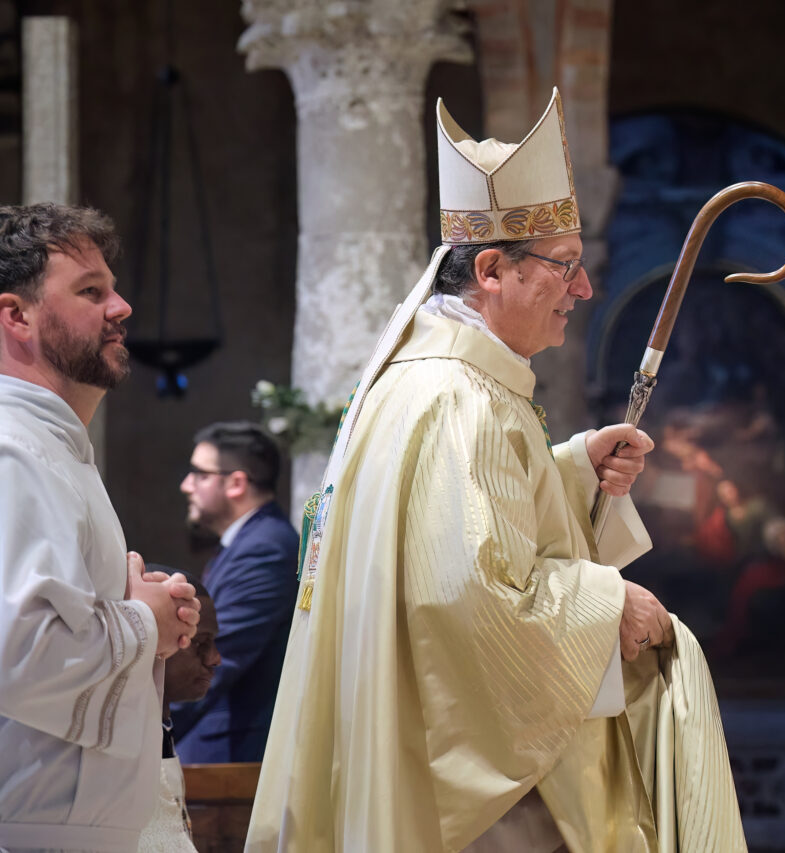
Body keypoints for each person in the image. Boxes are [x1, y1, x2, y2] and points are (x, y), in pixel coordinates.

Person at [248, 90, 745, 852]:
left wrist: (574, 470)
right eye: (566, 267)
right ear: (491, 268)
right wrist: (610, 601)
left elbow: (447, 532)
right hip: (487, 817)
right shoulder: (460, 400)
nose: (583, 289)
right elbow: (466, 600)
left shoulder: (433, 380)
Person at [0, 202, 199, 852]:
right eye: (91, 291)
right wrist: (144, 620)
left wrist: (138, 619)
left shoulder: (44, 447)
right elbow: (15, 656)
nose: (121, 307)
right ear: (15, 316)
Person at [171, 421, 299, 762]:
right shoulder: (248, 542)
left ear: (237, 483)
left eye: (199, 473)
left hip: (233, 753)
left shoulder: (266, 549)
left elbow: (218, 657)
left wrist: (150, 731)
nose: (186, 485)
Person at [139, 568, 221, 853]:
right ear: (154, 638)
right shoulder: (118, 756)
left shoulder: (162, 732)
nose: (214, 659)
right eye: (198, 643)